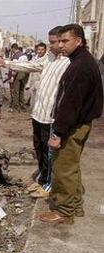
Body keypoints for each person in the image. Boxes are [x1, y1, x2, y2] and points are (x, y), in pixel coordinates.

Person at [0, 26, 71, 199]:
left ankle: (48, 185)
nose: (53, 46)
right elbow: (29, 65)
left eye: (56, 42)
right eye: (51, 42)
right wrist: (6, 63)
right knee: (38, 148)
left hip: (51, 117)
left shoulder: (68, 63)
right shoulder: (49, 58)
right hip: (38, 114)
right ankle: (42, 178)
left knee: (50, 153)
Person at [39, 24, 103, 224]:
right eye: (59, 41)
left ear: (79, 41)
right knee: (72, 167)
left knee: (63, 168)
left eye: (65, 41)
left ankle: (64, 211)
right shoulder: (81, 61)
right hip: (80, 123)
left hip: (73, 126)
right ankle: (75, 205)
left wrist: (57, 133)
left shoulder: (79, 67)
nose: (60, 45)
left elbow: (70, 104)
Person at [25, 42, 47, 108]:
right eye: (39, 49)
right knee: (33, 102)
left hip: (42, 84)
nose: (40, 51)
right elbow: (31, 72)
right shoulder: (34, 58)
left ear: (45, 50)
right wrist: (28, 84)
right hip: (33, 84)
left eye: (42, 49)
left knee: (40, 103)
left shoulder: (47, 59)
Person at [8, 43, 28, 112]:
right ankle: (22, 105)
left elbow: (14, 68)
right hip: (24, 74)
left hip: (17, 74)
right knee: (21, 91)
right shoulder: (24, 55)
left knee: (15, 91)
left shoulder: (16, 56)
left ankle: (16, 106)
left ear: (13, 48)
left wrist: (12, 77)